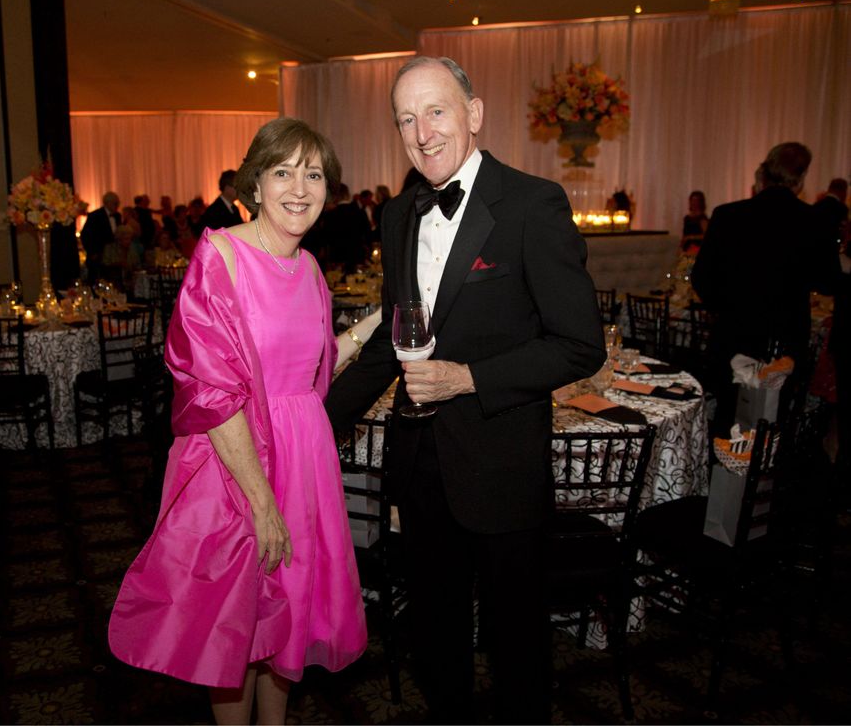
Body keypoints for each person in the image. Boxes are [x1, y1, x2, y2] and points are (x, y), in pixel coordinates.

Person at [325, 56, 605, 724]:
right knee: (435, 638)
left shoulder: (533, 204)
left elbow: (579, 343)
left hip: (502, 465)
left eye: (437, 111)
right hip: (420, 467)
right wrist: (308, 417)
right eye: (406, 119)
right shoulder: (396, 216)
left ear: (474, 115)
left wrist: (468, 378)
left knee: (517, 648)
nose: (422, 133)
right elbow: (397, 346)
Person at [108, 117, 381, 725]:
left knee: (289, 615)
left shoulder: (310, 269)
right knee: (236, 620)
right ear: (255, 184)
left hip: (303, 459)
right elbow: (213, 390)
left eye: (313, 175)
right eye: (283, 171)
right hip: (237, 463)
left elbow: (311, 376)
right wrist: (260, 502)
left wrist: (373, 325)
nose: (299, 187)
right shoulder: (221, 256)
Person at [692, 142, 843, 437]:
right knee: (774, 422)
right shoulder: (814, 222)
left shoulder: (727, 215)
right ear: (800, 181)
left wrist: (727, 309)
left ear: (761, 177)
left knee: (727, 420)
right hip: (785, 342)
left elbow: (701, 278)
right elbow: (828, 281)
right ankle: (766, 478)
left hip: (733, 336)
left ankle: (725, 477)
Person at [80, 191, 121, 284]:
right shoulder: (95, 216)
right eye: (115, 203)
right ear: (107, 203)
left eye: (118, 203)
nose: (117, 206)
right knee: (96, 281)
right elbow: (85, 235)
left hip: (113, 256)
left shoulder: (118, 216)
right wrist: (92, 252)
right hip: (98, 255)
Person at [102, 224, 143, 293]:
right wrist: (118, 264)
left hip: (130, 281)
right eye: (126, 239)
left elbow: (137, 265)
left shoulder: (132, 249)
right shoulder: (110, 249)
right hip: (113, 281)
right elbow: (105, 264)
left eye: (130, 239)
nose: (128, 242)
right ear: (119, 239)